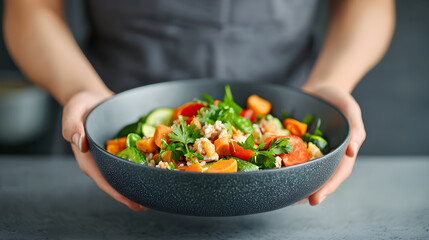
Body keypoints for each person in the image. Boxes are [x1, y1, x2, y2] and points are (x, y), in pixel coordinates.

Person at [3, 0, 395, 211]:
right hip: (111, 102)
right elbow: (28, 8)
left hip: (285, 108)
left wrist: (330, 84)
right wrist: (83, 92)